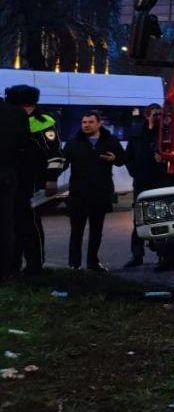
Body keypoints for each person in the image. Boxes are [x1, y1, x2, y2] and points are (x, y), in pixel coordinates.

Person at [5, 85, 58, 276]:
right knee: (11, 225)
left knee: (30, 225)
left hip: (33, 181)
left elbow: (54, 154)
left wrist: (51, 179)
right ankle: (12, 266)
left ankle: (35, 265)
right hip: (12, 180)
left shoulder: (43, 123)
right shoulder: (10, 121)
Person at [63, 111, 123, 271]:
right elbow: (63, 162)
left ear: (98, 124)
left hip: (100, 193)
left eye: (90, 122)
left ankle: (93, 262)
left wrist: (114, 159)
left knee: (96, 231)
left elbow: (122, 159)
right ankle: (74, 265)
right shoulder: (74, 143)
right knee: (76, 231)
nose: (86, 125)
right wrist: (49, 178)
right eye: (84, 122)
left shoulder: (110, 141)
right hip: (78, 194)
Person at [124, 104, 165, 268]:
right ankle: (137, 255)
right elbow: (129, 157)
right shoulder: (137, 134)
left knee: (161, 218)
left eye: (160, 115)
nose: (158, 118)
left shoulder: (163, 133)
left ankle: (162, 254)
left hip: (160, 181)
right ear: (148, 115)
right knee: (139, 220)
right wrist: (135, 172)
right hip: (142, 182)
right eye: (155, 115)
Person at [0, 95, 26, 283]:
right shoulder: (16, 113)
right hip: (7, 174)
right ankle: (5, 272)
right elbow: (23, 146)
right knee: (5, 224)